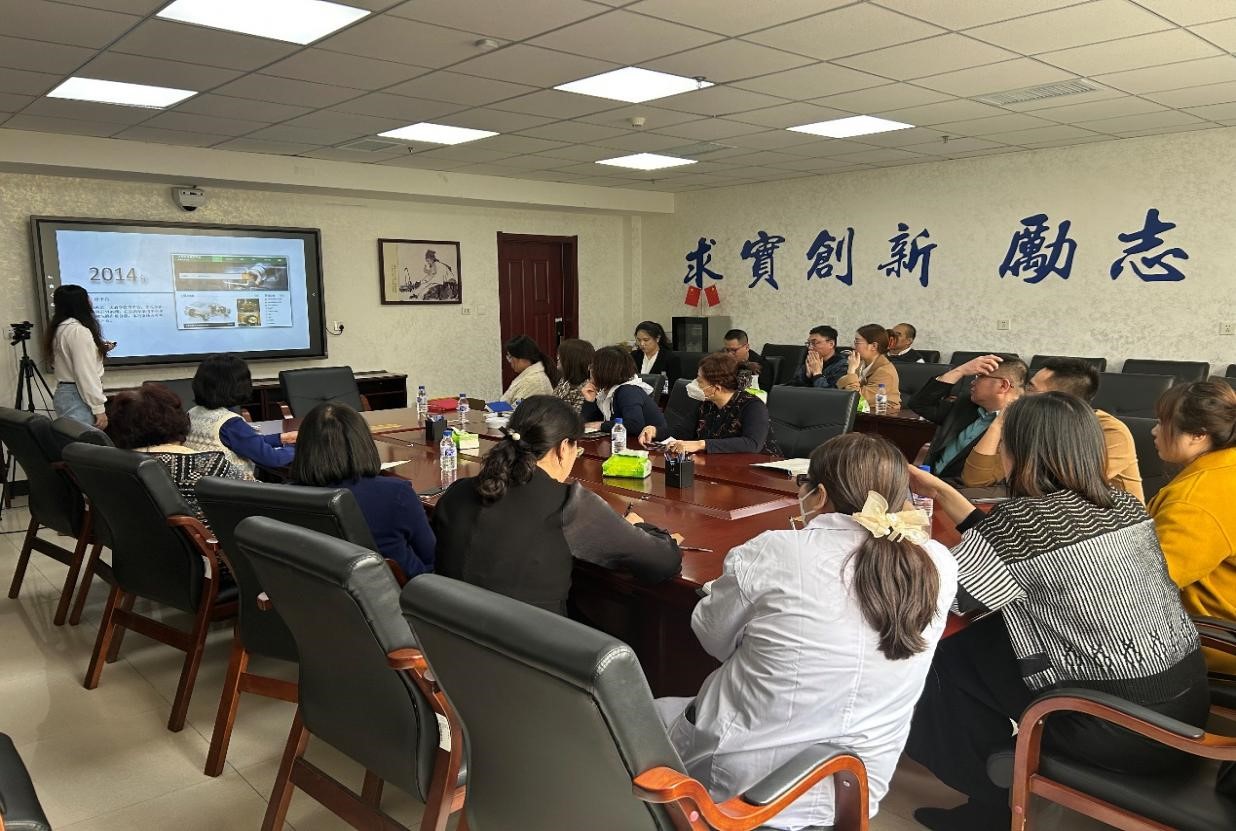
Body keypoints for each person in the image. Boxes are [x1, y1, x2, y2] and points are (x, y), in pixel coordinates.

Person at [904, 393, 1208, 831]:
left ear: (1020, 452)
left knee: (937, 655)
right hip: (1182, 707)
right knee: (977, 642)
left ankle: (989, 797)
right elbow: (1018, 543)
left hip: (1113, 726)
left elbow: (941, 597)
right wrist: (940, 492)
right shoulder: (1123, 505)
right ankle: (993, 780)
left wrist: (901, 539)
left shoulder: (1019, 524)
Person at [655, 433, 957, 830]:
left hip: (743, 788)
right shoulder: (937, 563)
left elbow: (712, 638)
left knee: (647, 715)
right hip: (856, 787)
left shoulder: (774, 551)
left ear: (819, 495)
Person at [432, 395, 682, 614]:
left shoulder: (458, 491)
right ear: (563, 448)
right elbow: (662, 561)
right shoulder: (567, 505)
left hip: (448, 640)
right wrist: (637, 529)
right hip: (532, 648)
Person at [290, 402, 435, 580]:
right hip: (401, 592)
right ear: (363, 444)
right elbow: (432, 556)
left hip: (316, 592)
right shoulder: (396, 494)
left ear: (303, 447)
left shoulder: (285, 498)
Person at [1149, 381, 1236, 656]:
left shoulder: (1197, 499)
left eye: (1162, 423)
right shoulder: (1227, 467)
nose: (1154, 431)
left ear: (1199, 434)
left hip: (1210, 642)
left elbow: (1147, 584)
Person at [105, 382, 244, 523]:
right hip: (214, 535)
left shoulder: (111, 464)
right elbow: (254, 497)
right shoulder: (208, 465)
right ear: (175, 419)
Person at [1022, 357, 1143, 501]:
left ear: (1061, 400)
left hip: (1107, 512)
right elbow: (998, 475)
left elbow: (1068, 484)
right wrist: (1001, 424)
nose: (1022, 395)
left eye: (1031, 389)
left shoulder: (1111, 431)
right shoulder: (1038, 423)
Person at [908, 355, 1027, 484]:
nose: (972, 382)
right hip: (927, 479)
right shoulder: (967, 404)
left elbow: (990, 480)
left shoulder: (1019, 427)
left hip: (962, 491)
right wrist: (960, 370)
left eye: (980, 376)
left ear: (1003, 385)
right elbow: (920, 404)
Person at [637, 352, 775, 454]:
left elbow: (752, 444)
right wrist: (655, 431)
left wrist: (701, 444)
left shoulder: (753, 406)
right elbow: (682, 432)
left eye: (700, 381)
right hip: (718, 466)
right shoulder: (707, 404)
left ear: (716, 388)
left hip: (757, 471)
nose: (696, 384)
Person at [184, 354, 296, 478]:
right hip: (237, 487)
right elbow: (273, 459)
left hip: (205, 484)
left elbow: (246, 442)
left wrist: (282, 438)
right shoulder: (230, 423)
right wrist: (300, 448)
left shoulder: (191, 413)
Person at [44, 284, 113, 428]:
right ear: (80, 303)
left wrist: (97, 349)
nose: (90, 301)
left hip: (67, 394)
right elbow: (85, 373)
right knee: (86, 441)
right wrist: (98, 408)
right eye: (87, 297)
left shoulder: (60, 328)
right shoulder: (78, 331)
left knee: (72, 440)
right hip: (79, 396)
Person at [581, 346, 668, 438]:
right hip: (623, 441)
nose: (590, 370)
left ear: (605, 371)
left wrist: (601, 425)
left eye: (592, 367)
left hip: (652, 444)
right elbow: (587, 424)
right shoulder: (605, 392)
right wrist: (589, 401)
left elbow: (634, 425)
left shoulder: (628, 391)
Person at [838, 323, 901, 411]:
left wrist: (851, 371)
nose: (853, 346)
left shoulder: (885, 372)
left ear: (874, 346)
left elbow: (857, 399)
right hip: (858, 412)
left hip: (881, 415)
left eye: (857, 342)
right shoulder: (860, 363)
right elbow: (840, 388)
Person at [501, 334, 558, 404]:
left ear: (523, 358)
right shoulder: (528, 377)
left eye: (510, 357)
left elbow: (518, 409)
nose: (510, 361)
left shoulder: (535, 381)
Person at [551, 337, 594, 413]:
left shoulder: (587, 389)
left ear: (572, 360)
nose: (557, 358)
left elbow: (575, 417)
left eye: (561, 355)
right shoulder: (565, 380)